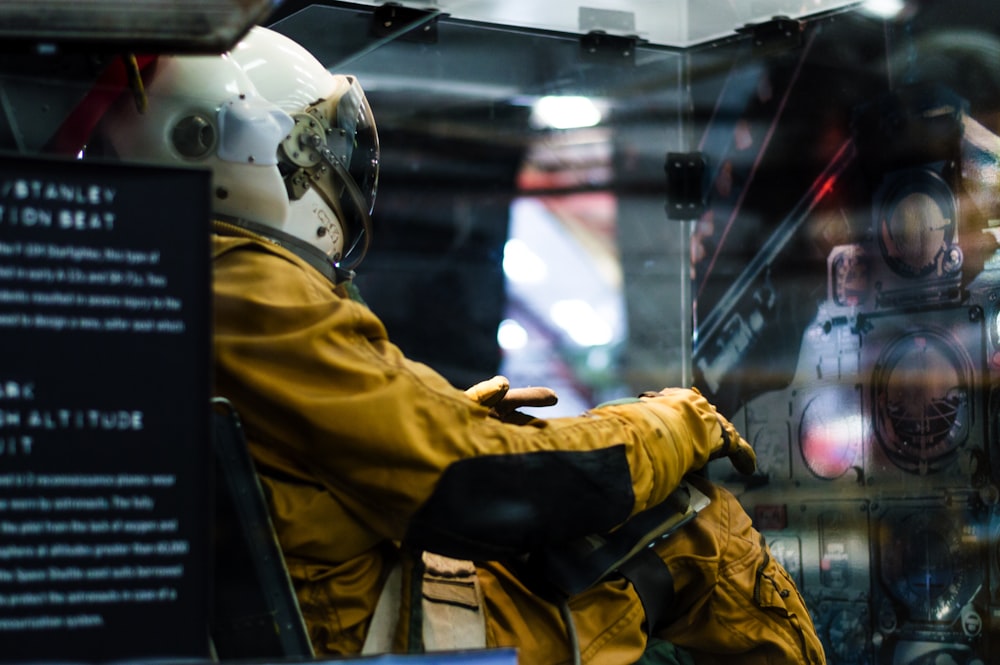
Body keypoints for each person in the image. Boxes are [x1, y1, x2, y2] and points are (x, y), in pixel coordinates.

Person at [89, 25, 826, 665]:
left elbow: (327, 468)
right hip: (368, 636)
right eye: (314, 147)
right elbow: (474, 485)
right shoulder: (245, 282)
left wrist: (447, 412)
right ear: (239, 143)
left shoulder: (149, 285)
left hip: (322, 615)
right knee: (696, 523)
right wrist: (676, 422)